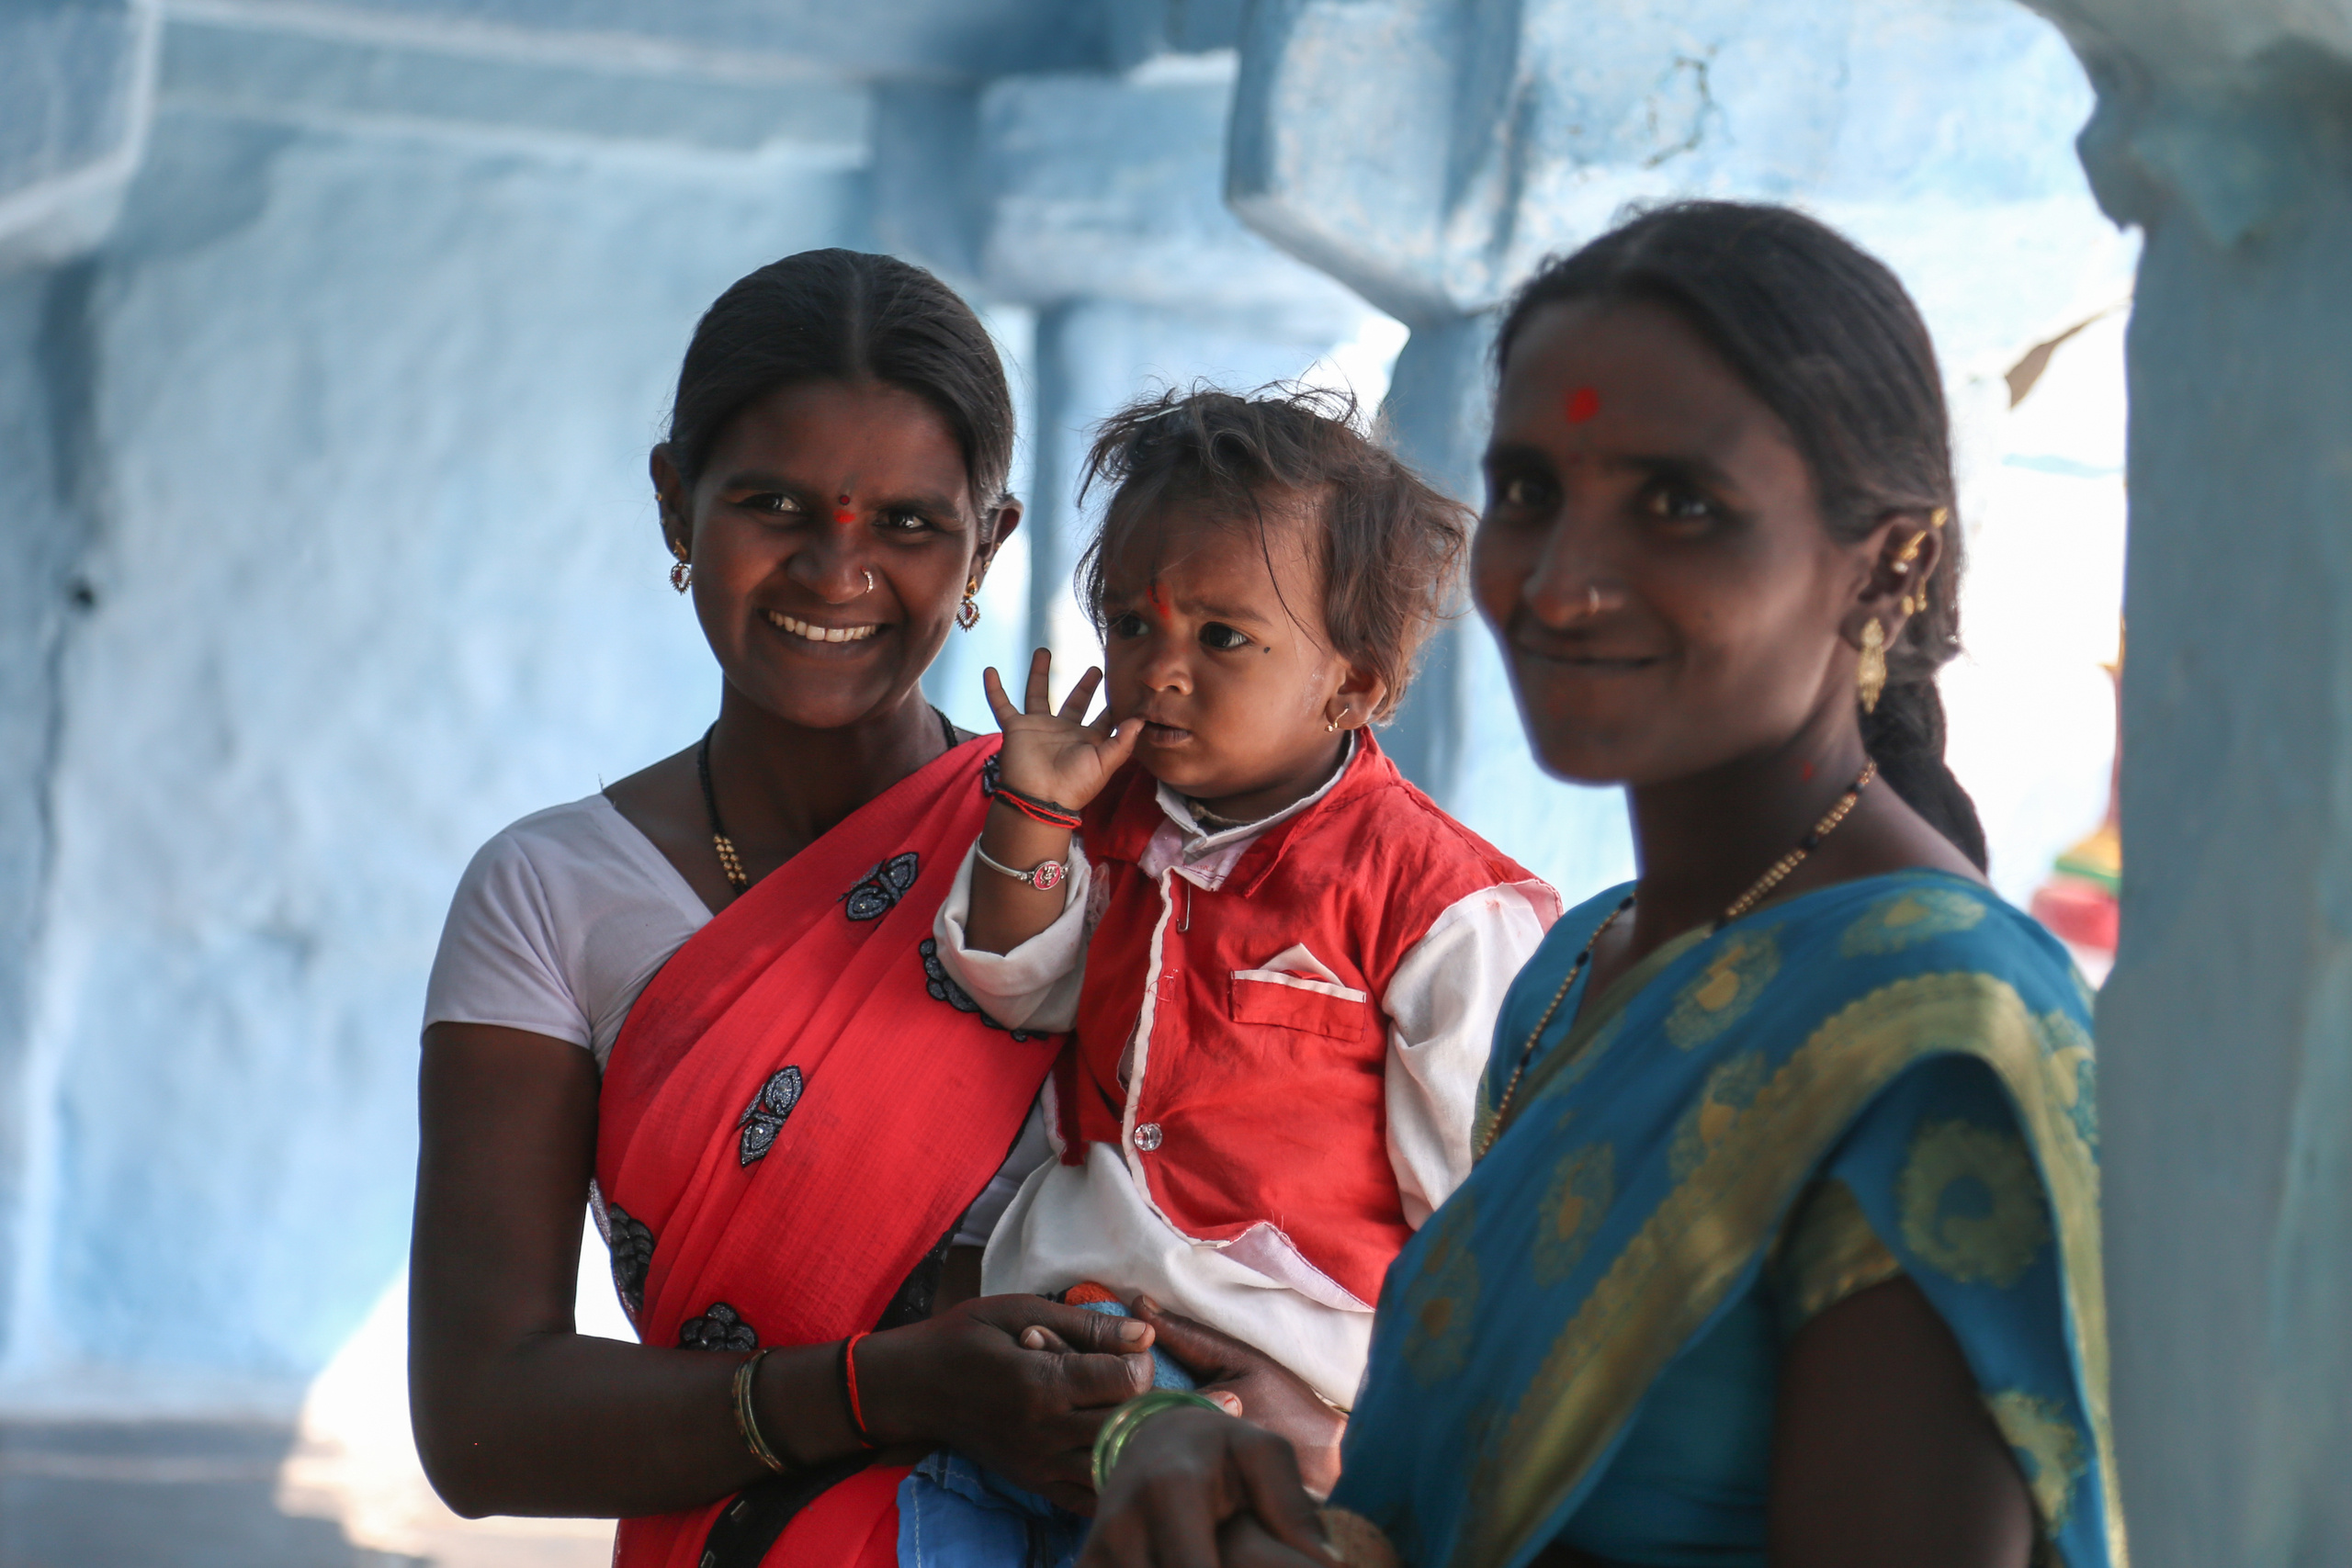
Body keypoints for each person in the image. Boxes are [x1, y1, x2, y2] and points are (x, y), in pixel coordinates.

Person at [1076, 202, 2122, 1568]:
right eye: (1529, 492)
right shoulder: (1578, 969)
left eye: (1679, 505)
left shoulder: (1932, 1038)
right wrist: (1176, 1450)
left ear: (1889, 565)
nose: (1563, 583)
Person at [409, 249, 1193, 1568]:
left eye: (906, 522)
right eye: (773, 504)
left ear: (989, 543)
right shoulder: (546, 892)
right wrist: (880, 1386)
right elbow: (483, 1422)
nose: (837, 569)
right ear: (675, 506)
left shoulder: (1092, 854)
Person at [899, 388, 1560, 1562]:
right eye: (1129, 622)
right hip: (1065, 1342)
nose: (1158, 671)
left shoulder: (1437, 902)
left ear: (1352, 685)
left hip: (1295, 1392)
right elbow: (1007, 976)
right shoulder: (1101, 824)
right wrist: (1033, 818)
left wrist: (1386, 1436)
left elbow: (1477, 1211)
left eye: (1222, 638)